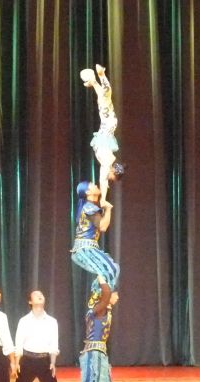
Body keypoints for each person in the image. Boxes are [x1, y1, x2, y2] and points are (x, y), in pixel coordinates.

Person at [10, 290, 69, 382]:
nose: (40, 295)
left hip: (44, 360)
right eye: (36, 295)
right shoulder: (24, 321)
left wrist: (53, 362)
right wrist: (17, 362)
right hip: (27, 360)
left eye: (41, 294)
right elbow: (19, 343)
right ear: (30, 301)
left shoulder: (52, 321)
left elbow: (54, 344)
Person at [74, 277, 125, 382]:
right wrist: (102, 278)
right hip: (93, 354)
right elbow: (107, 293)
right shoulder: (98, 310)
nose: (117, 297)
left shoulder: (103, 310)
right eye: (115, 293)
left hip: (100, 353)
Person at [80, 64, 125, 206]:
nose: (110, 179)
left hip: (107, 128)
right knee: (105, 97)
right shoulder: (107, 163)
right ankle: (101, 75)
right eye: (112, 178)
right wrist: (103, 198)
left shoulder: (108, 162)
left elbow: (104, 180)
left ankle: (94, 81)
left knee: (104, 98)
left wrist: (104, 198)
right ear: (113, 172)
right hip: (108, 127)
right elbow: (103, 180)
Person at [71, 181, 119, 297]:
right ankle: (99, 296)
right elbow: (103, 226)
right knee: (110, 269)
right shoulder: (89, 207)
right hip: (85, 248)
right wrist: (108, 209)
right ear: (88, 192)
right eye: (92, 185)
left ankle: (99, 296)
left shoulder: (89, 206)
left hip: (88, 248)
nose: (96, 185)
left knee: (112, 269)